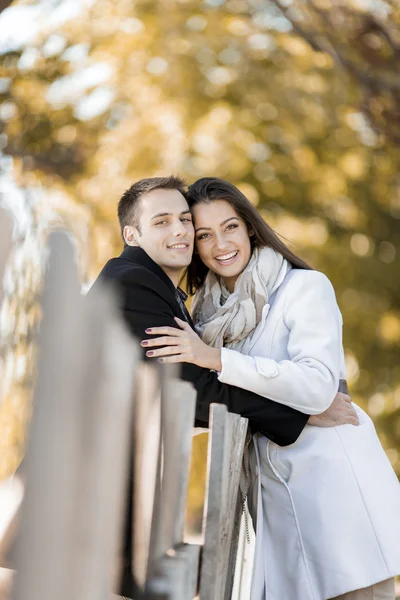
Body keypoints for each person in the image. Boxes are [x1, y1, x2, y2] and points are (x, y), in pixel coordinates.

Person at [89, 176, 357, 599]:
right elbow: (190, 386)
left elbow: (180, 395)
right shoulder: (132, 282)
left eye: (183, 220)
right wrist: (298, 414)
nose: (179, 231)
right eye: (162, 222)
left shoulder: (171, 293)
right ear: (132, 234)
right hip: (91, 479)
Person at [142, 177, 400, 600]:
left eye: (230, 227)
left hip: (337, 503)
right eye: (204, 234)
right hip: (273, 512)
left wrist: (218, 360)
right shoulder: (204, 320)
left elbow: (318, 386)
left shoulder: (303, 288)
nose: (220, 243)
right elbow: (217, 406)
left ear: (249, 228)